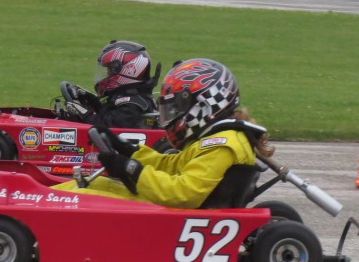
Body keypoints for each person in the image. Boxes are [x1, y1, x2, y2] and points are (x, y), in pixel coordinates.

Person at [52, 58, 274, 209]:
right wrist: (129, 152)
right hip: (168, 211)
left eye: (175, 108)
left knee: (84, 199)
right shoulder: (215, 139)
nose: (171, 115)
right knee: (92, 186)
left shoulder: (222, 145)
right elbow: (173, 166)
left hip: (176, 217)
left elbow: (183, 193)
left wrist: (132, 170)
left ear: (204, 105)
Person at [62, 40, 157, 128]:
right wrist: (93, 101)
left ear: (128, 71)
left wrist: (85, 115)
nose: (107, 75)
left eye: (110, 71)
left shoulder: (133, 104)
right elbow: (108, 113)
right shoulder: (130, 96)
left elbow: (108, 127)